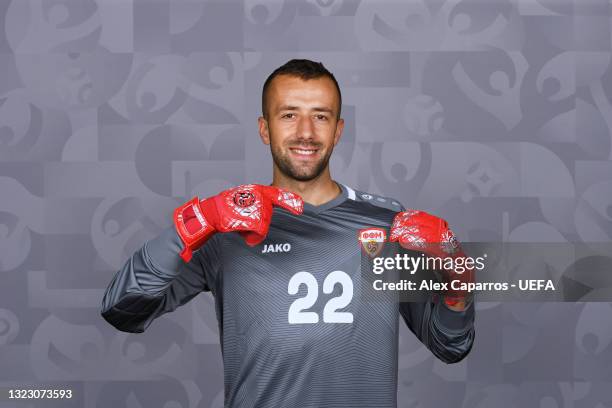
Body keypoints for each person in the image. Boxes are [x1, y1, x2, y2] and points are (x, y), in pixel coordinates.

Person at [101, 59, 475, 408]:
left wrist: (458, 284)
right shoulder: (227, 225)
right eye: (289, 115)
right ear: (265, 128)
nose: (306, 133)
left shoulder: (387, 222)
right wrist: (197, 221)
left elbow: (450, 346)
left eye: (321, 117)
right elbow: (123, 310)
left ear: (338, 130)